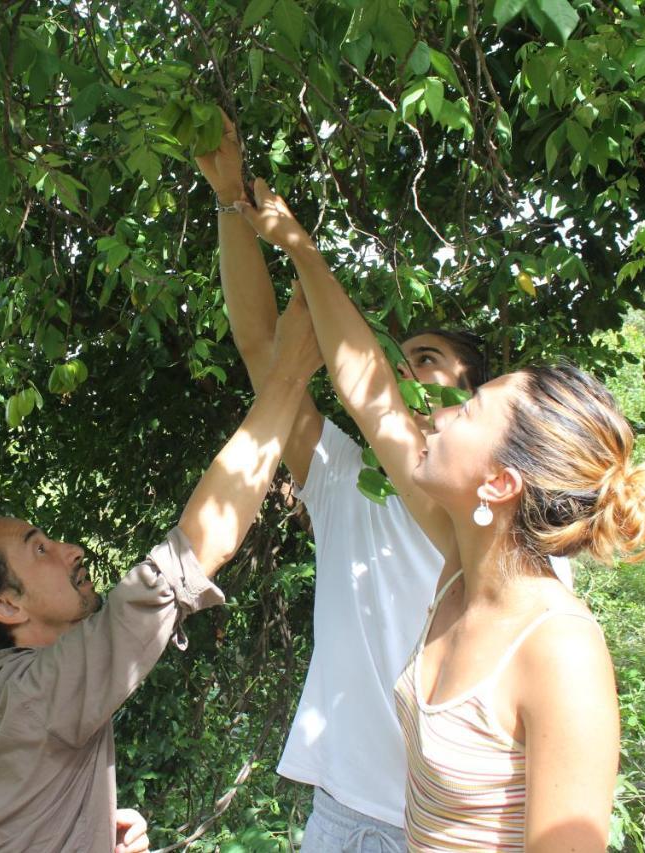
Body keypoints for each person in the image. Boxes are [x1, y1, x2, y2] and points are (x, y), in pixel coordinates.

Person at [234, 177, 645, 850]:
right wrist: (298, 247)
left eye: (467, 409)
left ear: (498, 481)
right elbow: (367, 392)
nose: (434, 415)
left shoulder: (561, 648)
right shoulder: (460, 566)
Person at [196, 114, 563, 851]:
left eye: (425, 357)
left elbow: (368, 391)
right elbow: (263, 348)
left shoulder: (521, 531)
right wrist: (231, 202)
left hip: (470, 829)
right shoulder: (344, 474)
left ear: (481, 399)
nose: (401, 367)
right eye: (397, 355)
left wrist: (300, 248)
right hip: (343, 815)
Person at [0, 290, 323, 852]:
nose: (72, 549)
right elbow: (193, 554)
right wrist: (290, 375)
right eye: (39, 550)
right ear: (5, 606)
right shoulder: (38, 691)